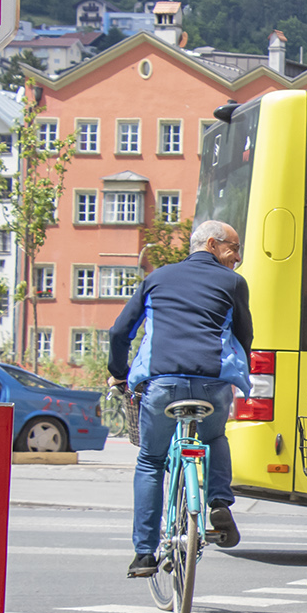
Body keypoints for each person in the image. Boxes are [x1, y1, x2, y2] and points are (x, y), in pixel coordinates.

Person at [110, 220, 251, 577]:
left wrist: (119, 372)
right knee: (215, 436)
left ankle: (144, 554)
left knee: (150, 460)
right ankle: (219, 502)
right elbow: (244, 336)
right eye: (233, 248)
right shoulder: (233, 283)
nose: (237, 258)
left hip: (163, 384)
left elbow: (119, 331)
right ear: (212, 245)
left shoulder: (156, 279)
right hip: (211, 385)